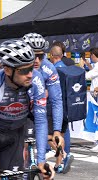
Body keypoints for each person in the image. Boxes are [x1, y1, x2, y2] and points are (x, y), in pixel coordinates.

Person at [0, 40, 55, 180]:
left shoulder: (36, 80)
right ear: (7, 70)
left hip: (16, 130)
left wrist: (41, 161)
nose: (30, 74)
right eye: (23, 71)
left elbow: (41, 121)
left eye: (31, 69)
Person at [23, 33, 72, 174]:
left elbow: (57, 100)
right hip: (18, 108)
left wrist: (57, 130)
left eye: (41, 55)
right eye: (33, 56)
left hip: (38, 108)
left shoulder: (49, 68)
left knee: (41, 140)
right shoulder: (17, 67)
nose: (37, 60)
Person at [48, 44, 75, 173]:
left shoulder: (53, 70)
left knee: (47, 137)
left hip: (54, 107)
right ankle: (59, 165)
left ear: (52, 55)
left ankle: (64, 154)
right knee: (60, 137)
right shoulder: (68, 68)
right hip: (66, 107)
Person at [80, 47, 98, 151]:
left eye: (90, 56)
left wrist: (81, 67)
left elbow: (86, 76)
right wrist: (88, 65)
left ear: (93, 55)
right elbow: (94, 72)